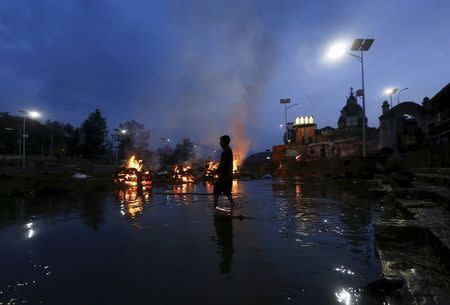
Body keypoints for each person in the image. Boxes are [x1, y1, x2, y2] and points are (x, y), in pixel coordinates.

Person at [213, 135, 234, 208]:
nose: (220, 143)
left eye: (221, 141)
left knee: (216, 193)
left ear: (224, 142)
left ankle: (214, 209)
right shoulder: (229, 150)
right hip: (228, 176)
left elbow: (223, 165)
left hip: (223, 177)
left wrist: (216, 171)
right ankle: (233, 207)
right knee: (228, 194)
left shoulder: (225, 152)